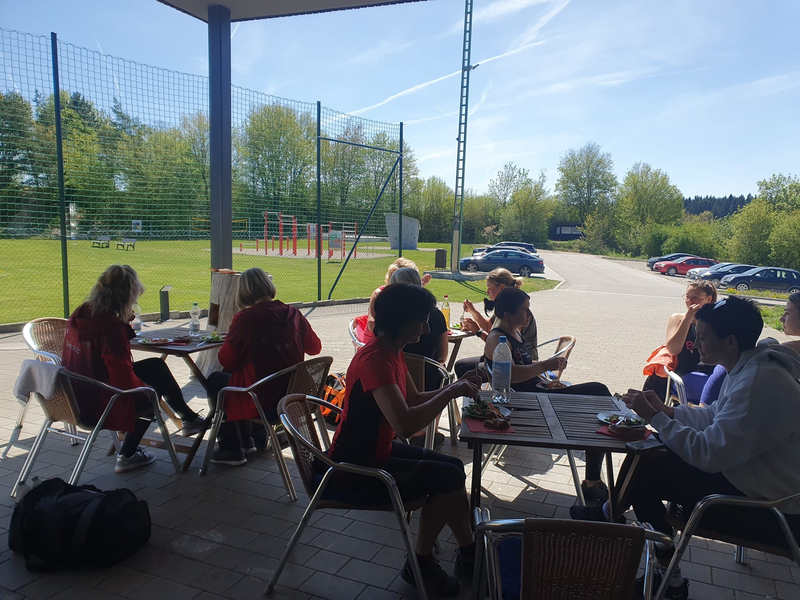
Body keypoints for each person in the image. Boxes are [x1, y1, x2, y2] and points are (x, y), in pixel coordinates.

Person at [573, 296, 800, 599]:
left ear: (730, 341)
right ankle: (615, 522)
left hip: (773, 510)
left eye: (703, 337)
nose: (696, 344)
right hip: (749, 478)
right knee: (648, 453)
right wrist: (666, 410)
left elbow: (707, 454)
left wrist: (655, 417)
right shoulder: (750, 366)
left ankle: (663, 572)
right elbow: (713, 416)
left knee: (647, 473)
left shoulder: (758, 383)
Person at [325, 283, 481, 596]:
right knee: (448, 478)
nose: (427, 328)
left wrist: (455, 387)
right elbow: (406, 424)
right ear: (401, 319)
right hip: (356, 465)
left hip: (375, 451)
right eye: (422, 320)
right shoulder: (376, 359)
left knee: (453, 469)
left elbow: (412, 399)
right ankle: (421, 563)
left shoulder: (392, 351)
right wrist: (451, 391)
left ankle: (469, 552)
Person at [62, 265, 205, 473]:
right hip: (97, 402)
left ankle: (189, 418)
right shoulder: (111, 329)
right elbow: (122, 377)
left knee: (155, 366)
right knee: (150, 395)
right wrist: (145, 389)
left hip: (74, 392)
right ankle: (127, 454)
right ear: (125, 298)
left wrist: (123, 323)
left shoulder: (82, 313)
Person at [484, 287, 614, 505]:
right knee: (598, 394)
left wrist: (545, 368)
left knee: (597, 406)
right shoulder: (497, 339)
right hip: (528, 402)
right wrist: (545, 365)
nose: (529, 315)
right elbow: (512, 375)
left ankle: (593, 478)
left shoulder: (514, 333)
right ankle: (593, 480)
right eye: (524, 310)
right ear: (507, 314)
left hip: (538, 393)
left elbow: (524, 365)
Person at [206, 268, 322, 466]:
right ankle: (248, 440)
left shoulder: (245, 319)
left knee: (217, 380)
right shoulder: (293, 314)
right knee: (231, 376)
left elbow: (226, 359)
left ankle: (232, 447)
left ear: (243, 292)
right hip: (295, 393)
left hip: (265, 399)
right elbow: (315, 348)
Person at [455, 268, 538, 378]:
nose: (487, 292)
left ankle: (477, 388)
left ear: (502, 287)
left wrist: (478, 332)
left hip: (521, 361)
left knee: (464, 368)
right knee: (461, 366)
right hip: (506, 358)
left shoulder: (513, 309)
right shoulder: (504, 305)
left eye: (490, 288)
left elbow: (502, 344)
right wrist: (473, 311)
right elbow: (489, 327)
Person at [644, 281, 717, 401]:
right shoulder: (677, 318)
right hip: (686, 372)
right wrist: (687, 319)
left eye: (695, 298)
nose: (690, 301)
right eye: (687, 297)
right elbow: (674, 349)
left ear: (708, 299)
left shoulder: (716, 321)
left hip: (711, 371)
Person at [366, 257, 431, 336]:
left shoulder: (404, 297)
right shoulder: (380, 294)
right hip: (378, 338)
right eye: (411, 280)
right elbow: (371, 323)